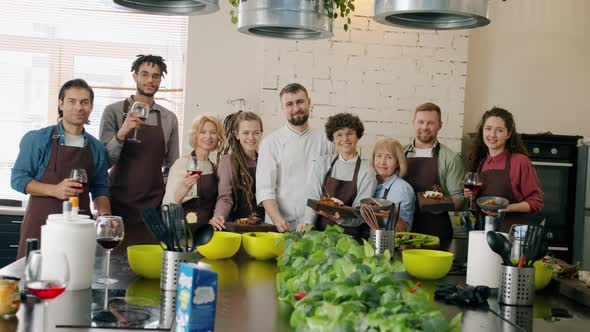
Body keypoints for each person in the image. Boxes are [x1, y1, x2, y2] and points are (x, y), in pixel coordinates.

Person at [11, 79, 111, 258]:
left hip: (79, 229)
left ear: (91, 106)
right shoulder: (37, 139)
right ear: (61, 104)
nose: (78, 107)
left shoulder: (96, 147)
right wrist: (55, 190)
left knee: (76, 281)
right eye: (72, 101)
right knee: (34, 281)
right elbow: (18, 180)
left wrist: (106, 216)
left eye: (84, 102)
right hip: (41, 227)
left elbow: (100, 187)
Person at [99, 55, 179, 248]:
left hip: (153, 209)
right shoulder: (113, 111)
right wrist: (122, 133)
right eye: (144, 74)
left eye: (155, 76)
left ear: (160, 80)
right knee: (115, 265)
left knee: (147, 265)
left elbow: (172, 167)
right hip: (117, 205)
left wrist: (161, 198)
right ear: (135, 76)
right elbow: (103, 163)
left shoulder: (169, 118)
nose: (150, 80)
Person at [256, 83, 335, 232]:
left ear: (309, 102)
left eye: (300, 102)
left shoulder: (326, 141)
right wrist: (278, 221)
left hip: (317, 225)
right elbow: (265, 189)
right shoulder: (271, 143)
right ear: (283, 108)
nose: (296, 108)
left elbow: (330, 187)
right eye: (289, 104)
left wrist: (310, 220)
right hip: (280, 225)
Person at [464, 107, 543, 232]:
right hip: (484, 231)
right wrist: (472, 196)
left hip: (511, 233)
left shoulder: (520, 162)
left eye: (499, 130)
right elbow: (478, 206)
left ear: (509, 134)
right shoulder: (480, 162)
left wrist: (508, 208)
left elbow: (536, 203)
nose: (492, 135)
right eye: (488, 128)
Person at [299, 113, 377, 237]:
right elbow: (313, 197)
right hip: (320, 234)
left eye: (350, 133)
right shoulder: (322, 163)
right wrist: (307, 223)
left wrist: (340, 218)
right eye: (339, 135)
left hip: (350, 238)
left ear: (358, 136)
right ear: (333, 139)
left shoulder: (367, 172)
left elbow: (361, 212)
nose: (345, 139)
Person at [403, 102, 465, 249]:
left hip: (436, 232)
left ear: (440, 125)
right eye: (421, 122)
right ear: (413, 123)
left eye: (430, 123)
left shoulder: (450, 158)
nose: (425, 127)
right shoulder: (400, 154)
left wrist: (439, 204)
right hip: (405, 231)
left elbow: (459, 199)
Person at [163, 115, 224, 226]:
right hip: (186, 229)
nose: (208, 136)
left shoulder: (213, 166)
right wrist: (185, 187)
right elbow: (168, 204)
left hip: (208, 228)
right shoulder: (182, 163)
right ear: (195, 135)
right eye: (203, 132)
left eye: (213, 132)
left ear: (218, 137)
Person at [208, 111, 265, 231]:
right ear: (236, 134)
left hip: (263, 226)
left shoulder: (266, 161)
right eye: (246, 133)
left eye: (256, 133)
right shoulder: (227, 161)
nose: (251, 137)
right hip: (235, 227)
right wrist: (218, 217)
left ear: (261, 134)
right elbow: (225, 197)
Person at [372, 138, 415, 232]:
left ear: (397, 163)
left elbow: (405, 231)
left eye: (389, 157)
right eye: (379, 156)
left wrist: (394, 217)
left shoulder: (403, 189)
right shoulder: (369, 182)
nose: (382, 162)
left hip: (388, 244)